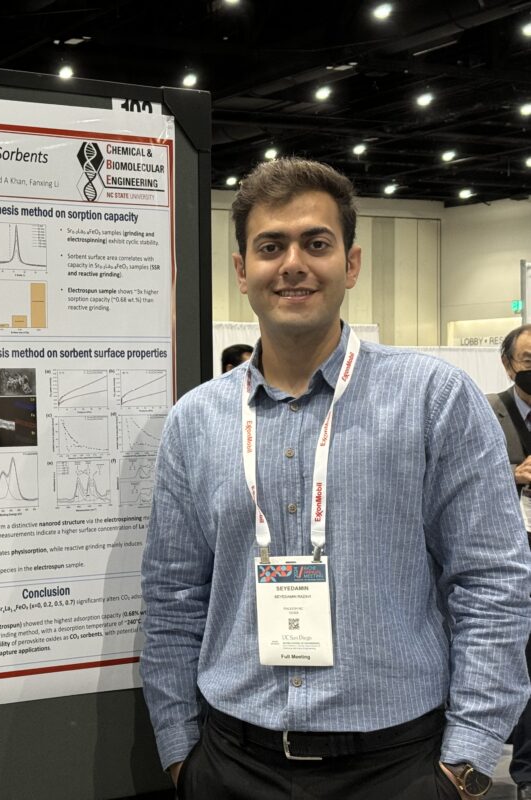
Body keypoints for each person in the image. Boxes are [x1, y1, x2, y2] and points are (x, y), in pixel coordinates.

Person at [140, 157, 531, 799]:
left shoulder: (434, 400)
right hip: (233, 763)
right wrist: (181, 750)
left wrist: (465, 762)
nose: (293, 263)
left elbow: (492, 582)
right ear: (242, 270)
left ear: (350, 264)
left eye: (315, 243)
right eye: (271, 246)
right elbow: (174, 596)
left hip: (398, 767)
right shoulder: (197, 421)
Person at [488, 324, 531, 800]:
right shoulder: (485, 412)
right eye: (529, 361)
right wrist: (512, 475)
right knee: (516, 657)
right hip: (507, 554)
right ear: (508, 364)